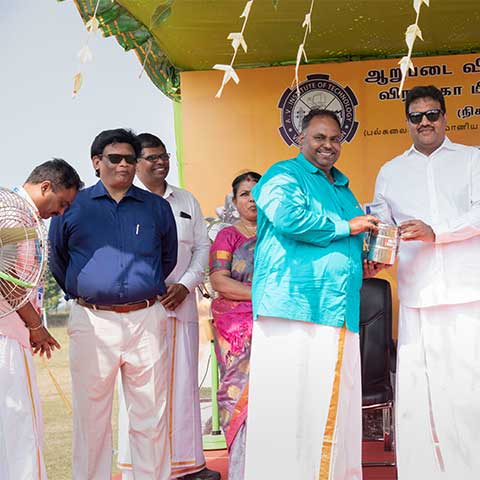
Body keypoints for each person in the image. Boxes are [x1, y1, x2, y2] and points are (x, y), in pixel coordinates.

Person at [243, 109, 384, 480]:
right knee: (290, 410)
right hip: (295, 308)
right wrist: (346, 225)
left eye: (335, 139)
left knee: (336, 410)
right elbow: (290, 219)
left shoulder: (343, 188)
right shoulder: (282, 175)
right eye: (319, 137)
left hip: (337, 310)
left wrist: (364, 261)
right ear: (300, 139)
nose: (328, 145)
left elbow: (345, 239)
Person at [371, 85, 480, 479]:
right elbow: (382, 226)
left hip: (467, 289)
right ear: (407, 123)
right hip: (418, 291)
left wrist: (437, 232)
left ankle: (479, 473)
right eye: (417, 116)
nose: (425, 122)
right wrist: (375, 256)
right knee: (418, 392)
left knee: (471, 388)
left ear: (445, 117)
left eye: (432, 114)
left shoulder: (471, 160)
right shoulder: (391, 171)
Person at [49, 128, 178, 480]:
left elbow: (167, 259)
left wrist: (139, 289)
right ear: (96, 162)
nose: (123, 165)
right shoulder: (73, 206)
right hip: (92, 321)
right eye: (114, 158)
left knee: (151, 415)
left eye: (130, 159)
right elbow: (58, 259)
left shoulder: (156, 207)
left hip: (146, 318)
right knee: (91, 418)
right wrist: (87, 292)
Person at [115, 133, 216, 480]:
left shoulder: (186, 199)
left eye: (165, 156)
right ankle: (140, 468)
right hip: (142, 308)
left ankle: (188, 464)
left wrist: (186, 285)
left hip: (182, 304)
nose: (161, 162)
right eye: (152, 158)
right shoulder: (127, 202)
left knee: (184, 384)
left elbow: (202, 247)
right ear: (136, 163)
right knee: (142, 385)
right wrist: (151, 288)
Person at [0, 159, 82, 480]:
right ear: (45, 186)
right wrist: (35, 325)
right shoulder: (14, 214)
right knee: (21, 422)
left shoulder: (19, 214)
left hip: (12, 331)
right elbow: (5, 275)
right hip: (8, 336)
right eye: (62, 203)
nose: (61, 213)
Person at [208, 171, 261, 480]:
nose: (252, 199)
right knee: (241, 401)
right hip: (237, 328)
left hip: (277, 324)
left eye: (257, 192)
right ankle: (243, 471)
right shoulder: (227, 236)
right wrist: (262, 295)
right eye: (245, 194)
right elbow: (218, 280)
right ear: (235, 200)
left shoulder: (280, 233)